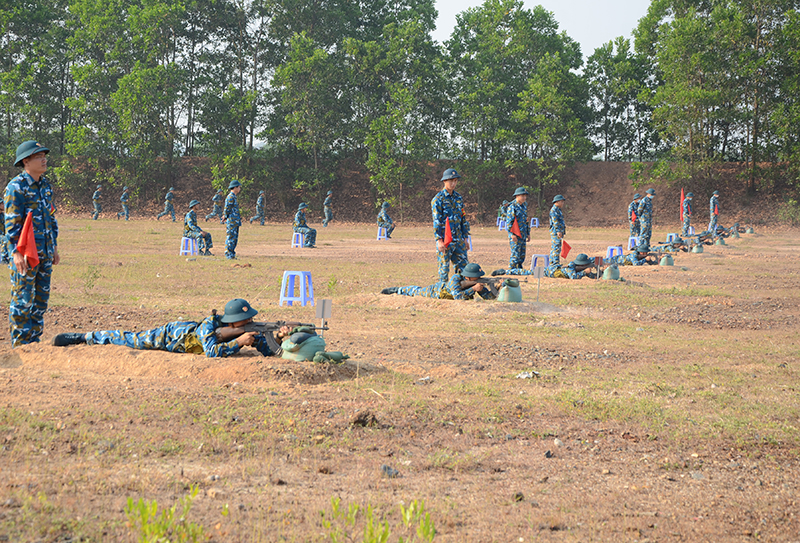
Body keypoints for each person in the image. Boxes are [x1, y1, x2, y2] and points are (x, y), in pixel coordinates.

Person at [52, 298, 285, 358]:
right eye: (244, 323)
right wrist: (237, 343)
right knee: (130, 339)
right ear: (232, 322)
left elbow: (268, 350)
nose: (247, 326)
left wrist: (281, 339)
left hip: (184, 336)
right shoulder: (209, 325)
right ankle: (85, 337)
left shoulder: (243, 329)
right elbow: (211, 353)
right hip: (169, 336)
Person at [4, 140, 60, 347]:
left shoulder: (45, 186)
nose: (44, 159)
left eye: (44, 155)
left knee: (40, 302)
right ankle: (19, 346)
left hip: (44, 253)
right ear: (25, 161)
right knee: (22, 300)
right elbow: (11, 225)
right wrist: (15, 253)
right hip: (25, 255)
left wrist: (54, 247)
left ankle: (34, 344)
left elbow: (51, 218)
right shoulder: (15, 187)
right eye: (39, 156)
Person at [432, 168, 470, 282]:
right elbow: (436, 221)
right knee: (444, 270)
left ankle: (462, 291)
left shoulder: (458, 198)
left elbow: (463, 218)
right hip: (445, 240)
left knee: (464, 269)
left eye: (455, 181)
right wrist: (439, 240)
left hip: (458, 239)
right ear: (444, 181)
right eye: (450, 181)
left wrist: (465, 237)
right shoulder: (438, 199)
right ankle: (443, 294)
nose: (453, 184)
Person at [381, 263, 494, 300]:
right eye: (477, 277)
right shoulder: (456, 279)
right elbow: (458, 297)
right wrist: (473, 289)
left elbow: (489, 297)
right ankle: (398, 290)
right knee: (416, 291)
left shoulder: (476, 283)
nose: (479, 278)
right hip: (435, 291)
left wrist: (498, 287)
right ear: (468, 277)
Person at [506, 187, 530, 269]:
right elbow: (509, 222)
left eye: (525, 196)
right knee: (515, 253)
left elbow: (526, 221)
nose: (524, 198)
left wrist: (528, 233)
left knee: (522, 254)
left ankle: (519, 269)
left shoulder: (524, 206)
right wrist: (512, 234)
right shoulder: (512, 207)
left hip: (522, 234)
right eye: (522, 196)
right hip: (515, 234)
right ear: (517, 196)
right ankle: (511, 269)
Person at [222, 180, 242, 259]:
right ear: (235, 187)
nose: (240, 189)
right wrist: (225, 217)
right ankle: (228, 254)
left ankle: (232, 254)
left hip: (235, 221)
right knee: (230, 238)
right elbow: (227, 208)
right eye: (239, 187)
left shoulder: (234, 197)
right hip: (231, 221)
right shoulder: (230, 196)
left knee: (234, 239)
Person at [549, 194, 566, 267]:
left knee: (557, 247)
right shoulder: (554, 210)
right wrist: (558, 231)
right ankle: (555, 263)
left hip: (558, 231)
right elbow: (555, 222)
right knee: (556, 247)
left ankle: (553, 262)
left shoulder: (558, 210)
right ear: (557, 202)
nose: (563, 203)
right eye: (561, 201)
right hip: (555, 232)